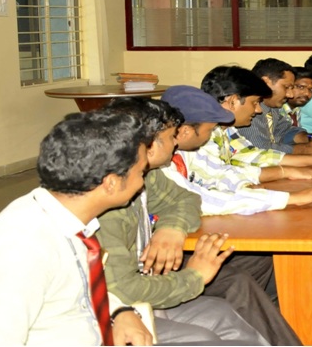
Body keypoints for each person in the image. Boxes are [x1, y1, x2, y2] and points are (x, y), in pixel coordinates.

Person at [94, 98, 272, 345]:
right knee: (210, 327)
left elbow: (185, 198)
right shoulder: (111, 202)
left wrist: (172, 229)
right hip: (120, 306)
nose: (176, 143)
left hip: (143, 280)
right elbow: (123, 289)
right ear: (148, 146)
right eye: (171, 137)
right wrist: (194, 277)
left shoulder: (147, 176)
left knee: (228, 302)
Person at [0, 111, 154, 346]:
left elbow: (74, 291)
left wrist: (118, 311)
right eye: (141, 172)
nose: (143, 182)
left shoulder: (66, 218)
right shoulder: (20, 247)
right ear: (111, 183)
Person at [161, 85, 312, 216]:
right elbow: (201, 201)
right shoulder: (162, 164)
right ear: (185, 132)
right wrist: (289, 198)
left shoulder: (187, 151)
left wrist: (249, 186)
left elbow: (220, 174)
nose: (210, 135)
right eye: (209, 130)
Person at [199, 65, 312, 182]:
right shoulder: (202, 136)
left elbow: (252, 155)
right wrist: (285, 173)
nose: (258, 110)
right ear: (232, 102)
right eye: (255, 103)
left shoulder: (226, 130)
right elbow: (221, 177)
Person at [238, 58, 312, 155]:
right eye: (286, 87)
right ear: (265, 83)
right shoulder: (249, 110)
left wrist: (311, 138)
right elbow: (260, 150)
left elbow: (285, 130)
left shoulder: (273, 107)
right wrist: (308, 148)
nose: (290, 95)